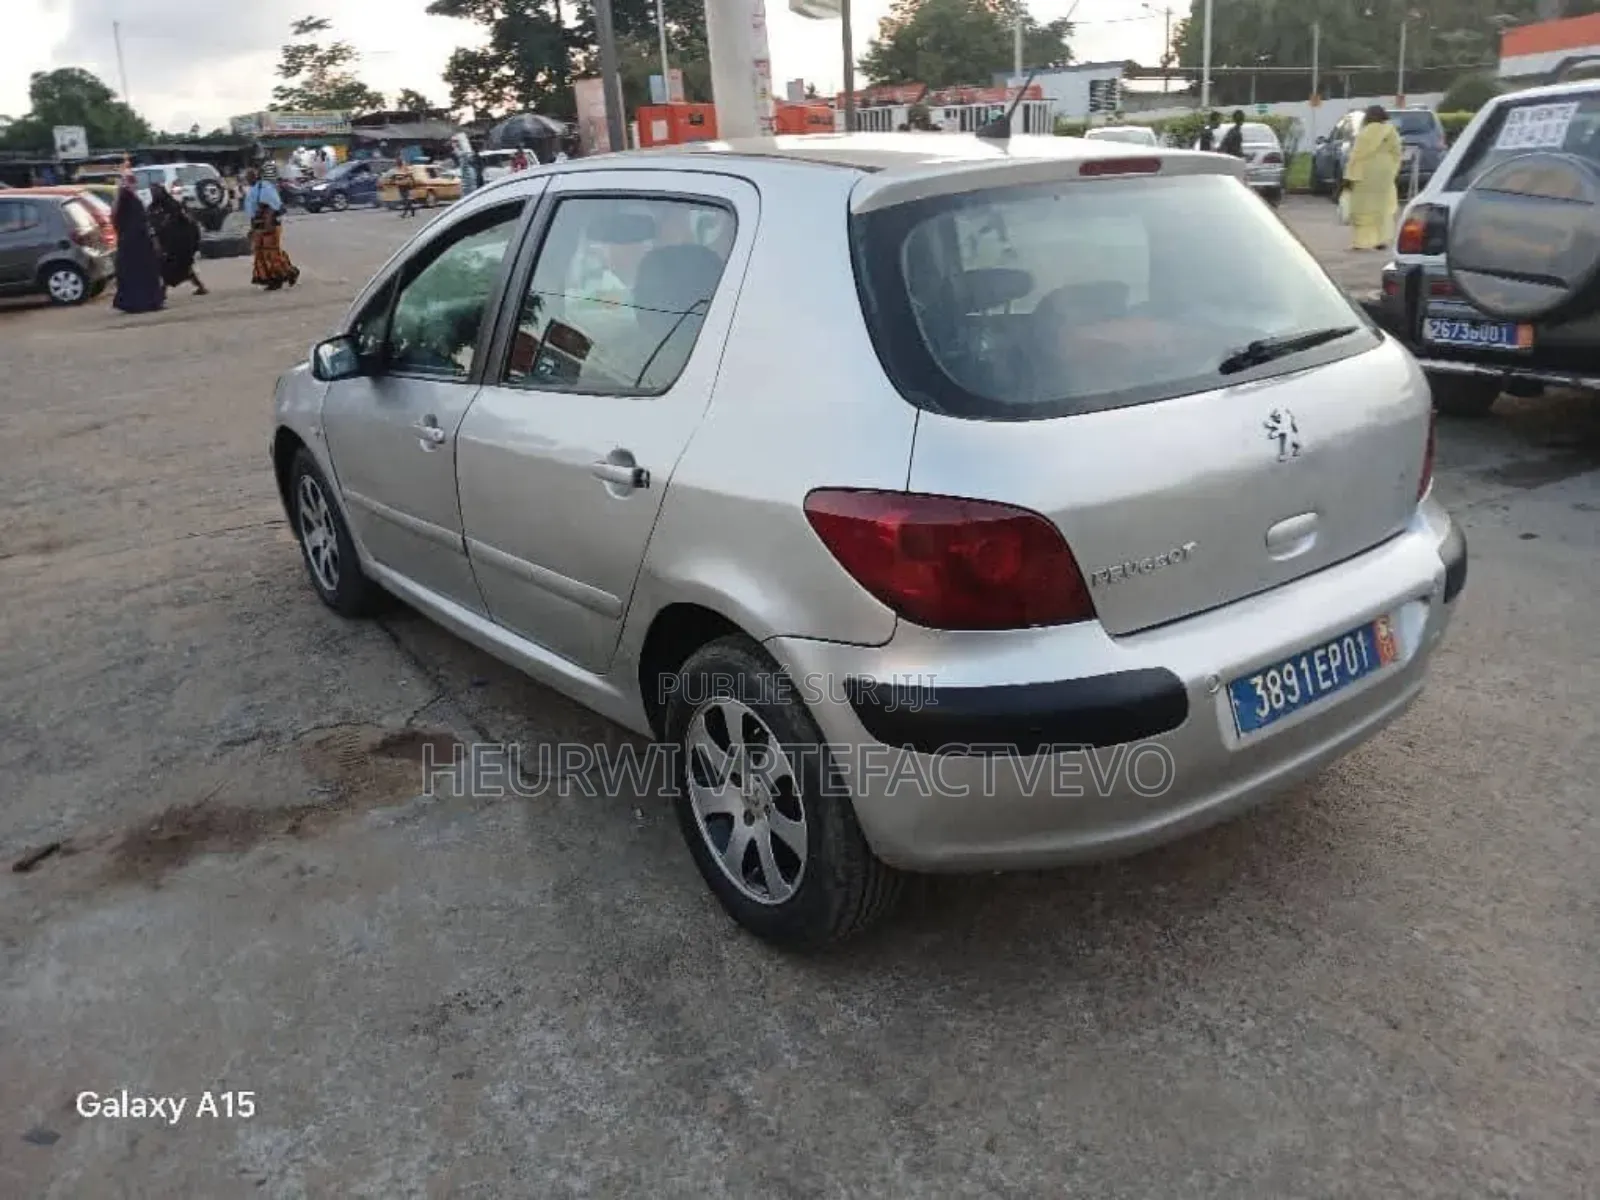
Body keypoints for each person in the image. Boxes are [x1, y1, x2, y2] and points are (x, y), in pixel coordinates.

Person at [1343, 104, 1403, 251]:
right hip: (1385, 172)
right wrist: (1392, 169)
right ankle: (1381, 240)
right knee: (1383, 206)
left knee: (1362, 206)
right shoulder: (1390, 131)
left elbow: (1356, 155)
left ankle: (1361, 242)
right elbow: (1397, 151)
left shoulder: (1365, 133)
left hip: (1365, 172)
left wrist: (1349, 176)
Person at [110, 173, 166, 314]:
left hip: (138, 240)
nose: (132, 185)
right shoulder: (125, 197)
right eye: (130, 182)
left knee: (145, 272)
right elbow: (117, 216)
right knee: (138, 273)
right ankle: (139, 302)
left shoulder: (130, 197)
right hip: (133, 242)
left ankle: (150, 301)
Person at [147, 184, 208, 296]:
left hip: (179, 243)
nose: (154, 193)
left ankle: (163, 291)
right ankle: (164, 290)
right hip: (165, 243)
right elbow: (151, 224)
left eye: (156, 191)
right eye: (152, 191)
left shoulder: (173, 205)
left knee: (180, 267)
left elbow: (188, 222)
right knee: (167, 267)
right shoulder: (153, 208)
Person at [250, 198, 299, 291]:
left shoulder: (269, 193)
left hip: (270, 227)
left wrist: (272, 220)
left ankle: (284, 275)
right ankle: (273, 278)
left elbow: (279, 211)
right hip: (260, 227)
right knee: (260, 254)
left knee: (272, 254)